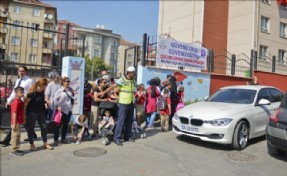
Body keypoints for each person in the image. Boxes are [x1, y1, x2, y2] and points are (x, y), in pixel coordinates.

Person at [0, 66, 36, 147]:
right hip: (18, 102)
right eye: (19, 71)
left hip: (24, 104)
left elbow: (30, 92)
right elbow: (14, 91)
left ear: (26, 72)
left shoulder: (29, 81)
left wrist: (25, 100)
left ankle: (7, 140)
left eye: (22, 71)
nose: (21, 72)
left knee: (17, 121)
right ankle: (33, 134)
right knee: (23, 122)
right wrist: (9, 100)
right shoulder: (18, 80)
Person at [104, 66, 137, 146]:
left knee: (129, 121)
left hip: (131, 103)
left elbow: (136, 88)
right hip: (123, 103)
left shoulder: (133, 80)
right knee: (121, 121)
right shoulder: (122, 79)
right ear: (129, 73)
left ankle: (127, 136)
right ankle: (117, 138)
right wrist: (104, 92)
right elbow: (113, 87)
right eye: (133, 73)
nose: (134, 74)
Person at [24, 78, 53, 151]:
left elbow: (42, 99)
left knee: (44, 127)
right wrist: (24, 114)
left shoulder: (42, 91)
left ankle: (45, 143)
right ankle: (32, 144)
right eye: (45, 85)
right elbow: (25, 103)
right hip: (32, 112)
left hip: (41, 112)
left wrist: (46, 101)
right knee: (31, 129)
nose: (46, 87)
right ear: (41, 85)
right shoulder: (31, 93)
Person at [53, 77, 74, 145]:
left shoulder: (70, 90)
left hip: (69, 110)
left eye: (68, 81)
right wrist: (58, 106)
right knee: (58, 126)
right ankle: (56, 140)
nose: (68, 82)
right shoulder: (60, 90)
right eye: (66, 81)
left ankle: (63, 139)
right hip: (61, 110)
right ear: (63, 82)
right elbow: (55, 100)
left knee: (65, 125)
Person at [10, 87, 25, 156]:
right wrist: (14, 124)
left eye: (23, 92)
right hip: (16, 122)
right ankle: (13, 150)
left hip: (19, 121)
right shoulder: (15, 102)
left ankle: (17, 148)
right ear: (16, 93)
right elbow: (14, 113)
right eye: (21, 92)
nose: (22, 94)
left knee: (18, 135)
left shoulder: (20, 101)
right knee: (15, 136)